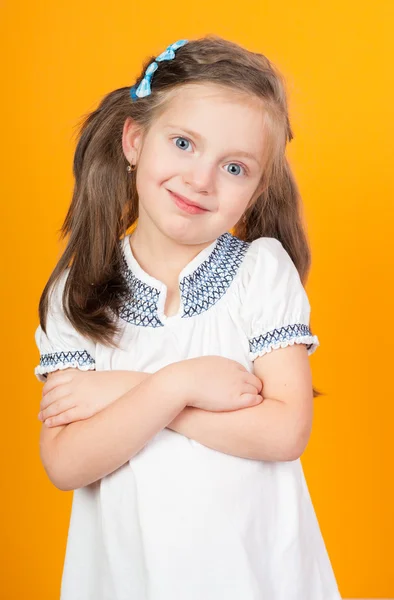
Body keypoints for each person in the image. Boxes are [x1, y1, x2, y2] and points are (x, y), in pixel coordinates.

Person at [34, 35, 342, 599]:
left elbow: (283, 431)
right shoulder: (78, 292)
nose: (201, 179)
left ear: (258, 187)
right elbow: (66, 463)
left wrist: (128, 394)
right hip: (130, 580)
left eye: (234, 167)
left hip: (252, 577)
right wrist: (179, 384)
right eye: (182, 143)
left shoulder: (260, 272)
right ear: (134, 140)